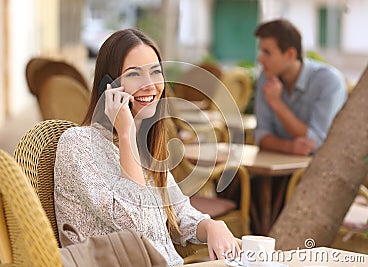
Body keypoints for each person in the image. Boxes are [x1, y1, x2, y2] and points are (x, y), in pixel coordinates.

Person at [54, 28, 240, 266]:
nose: (150, 85)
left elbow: (179, 213)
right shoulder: (78, 145)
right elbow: (138, 225)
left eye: (155, 72)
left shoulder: (146, 145)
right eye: (134, 75)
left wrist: (212, 226)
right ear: (109, 88)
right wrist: (126, 133)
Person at [253, 19, 347, 156]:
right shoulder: (266, 78)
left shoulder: (329, 81)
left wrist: (277, 104)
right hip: (278, 168)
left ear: (290, 54)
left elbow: (317, 142)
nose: (260, 59)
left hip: (321, 171)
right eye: (261, 52)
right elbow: (261, 135)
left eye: (267, 53)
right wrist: (289, 147)